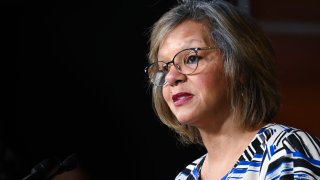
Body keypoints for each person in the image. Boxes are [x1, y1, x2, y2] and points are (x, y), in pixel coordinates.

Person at [144, 0, 320, 179]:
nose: (172, 78)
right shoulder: (185, 176)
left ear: (240, 66)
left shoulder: (285, 152)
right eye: (164, 68)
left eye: (191, 59)